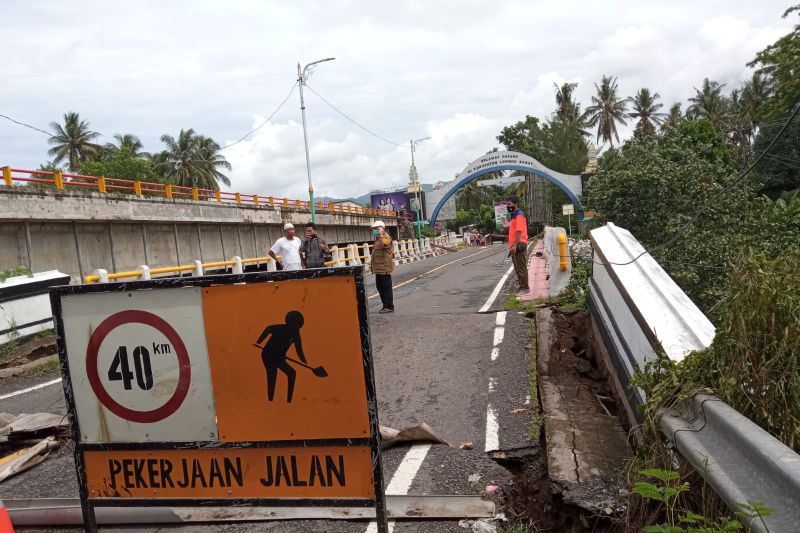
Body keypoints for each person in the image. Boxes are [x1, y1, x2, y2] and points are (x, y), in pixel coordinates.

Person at [507, 195, 529, 296]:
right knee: (517, 267)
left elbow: (519, 231)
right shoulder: (514, 215)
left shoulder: (519, 215)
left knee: (521, 268)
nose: (508, 206)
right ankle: (521, 286)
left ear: (515, 204)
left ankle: (525, 288)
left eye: (509, 204)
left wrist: (515, 245)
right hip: (514, 245)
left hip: (519, 244)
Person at [370, 220, 394, 313]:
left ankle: (389, 306)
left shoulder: (386, 237)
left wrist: (381, 234)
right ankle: (385, 306)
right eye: (373, 229)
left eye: (376, 228)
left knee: (386, 289)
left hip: (384, 269)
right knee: (380, 288)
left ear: (381, 228)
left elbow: (385, 244)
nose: (374, 230)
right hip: (378, 269)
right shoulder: (377, 238)